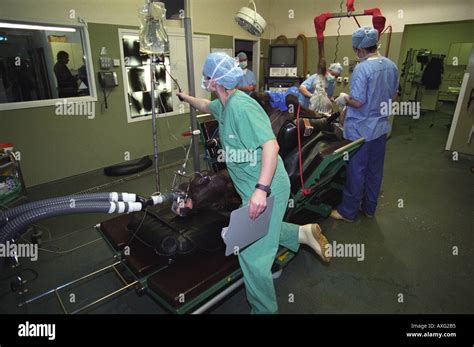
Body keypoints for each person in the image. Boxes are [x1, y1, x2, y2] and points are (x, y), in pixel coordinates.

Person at [177, 52, 330, 314]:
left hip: (267, 187)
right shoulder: (223, 104)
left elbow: (271, 146)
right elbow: (204, 105)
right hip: (253, 188)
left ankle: (263, 310)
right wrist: (185, 97)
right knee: (264, 229)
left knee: (252, 254)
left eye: (206, 76)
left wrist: (261, 191)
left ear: (216, 80)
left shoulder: (242, 106)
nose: (204, 80)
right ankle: (301, 233)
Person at [331, 26, 399, 222]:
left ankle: (348, 212)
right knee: (375, 171)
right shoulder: (390, 65)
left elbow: (358, 102)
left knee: (356, 171)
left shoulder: (362, 68)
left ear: (359, 50)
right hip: (380, 129)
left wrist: (344, 98)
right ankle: (369, 208)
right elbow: (394, 95)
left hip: (361, 131)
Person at [298, 37, 343, 112]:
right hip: (305, 105)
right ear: (328, 70)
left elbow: (328, 96)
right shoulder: (316, 77)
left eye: (336, 76)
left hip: (316, 108)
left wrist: (332, 99)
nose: (334, 77)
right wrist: (313, 96)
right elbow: (301, 88)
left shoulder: (332, 83)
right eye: (333, 74)